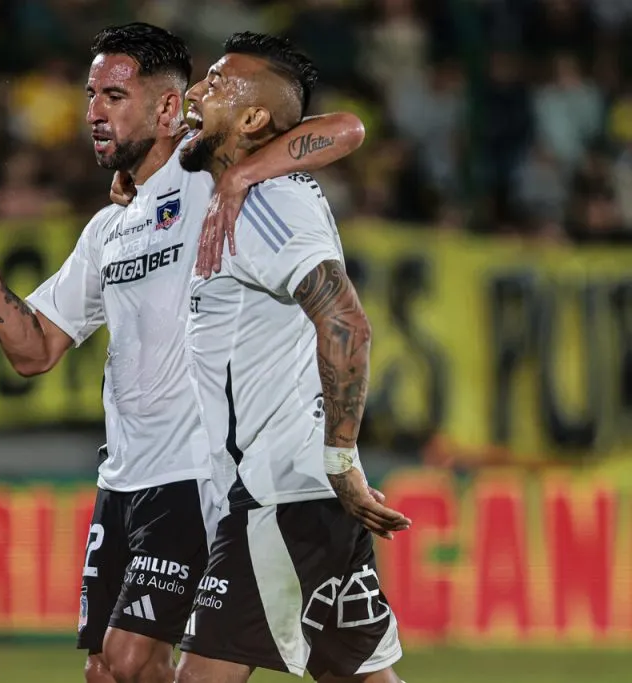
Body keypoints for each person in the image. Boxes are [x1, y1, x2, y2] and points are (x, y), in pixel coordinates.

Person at [0, 23, 366, 683]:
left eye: (114, 96)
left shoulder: (210, 177)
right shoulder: (109, 227)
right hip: (123, 478)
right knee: (110, 670)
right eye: (90, 95)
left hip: (195, 473)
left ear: (169, 108)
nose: (94, 112)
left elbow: (343, 129)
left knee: (135, 658)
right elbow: (34, 350)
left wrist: (246, 172)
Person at [177, 32, 410, 683]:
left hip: (280, 493)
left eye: (215, 83)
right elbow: (343, 128)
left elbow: (345, 322)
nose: (195, 91)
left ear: (253, 119)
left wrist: (342, 459)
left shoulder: (263, 204)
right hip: (296, 491)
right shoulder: (241, 187)